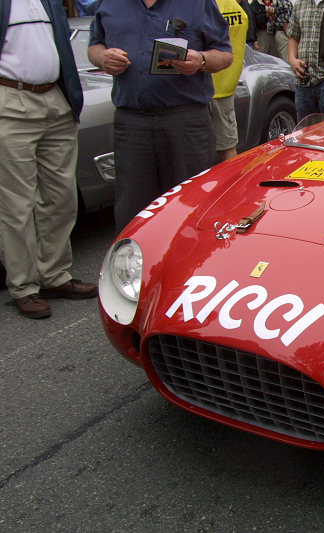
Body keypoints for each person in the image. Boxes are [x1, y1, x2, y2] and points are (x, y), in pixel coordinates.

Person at [88, 0, 233, 235]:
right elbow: (94, 46)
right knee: (132, 212)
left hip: (185, 121)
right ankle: (135, 269)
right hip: (132, 122)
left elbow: (225, 55)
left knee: (190, 207)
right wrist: (103, 57)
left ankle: (188, 269)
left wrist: (201, 60)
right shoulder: (110, 4)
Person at [0, 0, 98, 319]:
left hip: (55, 99)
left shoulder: (48, 2)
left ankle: (55, 275)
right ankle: (24, 286)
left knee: (61, 196)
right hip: (11, 101)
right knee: (16, 204)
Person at [212, 0, 250, 161]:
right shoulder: (238, 11)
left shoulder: (205, 6)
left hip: (201, 85)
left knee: (195, 150)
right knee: (227, 146)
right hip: (226, 85)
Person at [287, 0, 324, 122]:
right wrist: (292, 60)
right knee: (304, 132)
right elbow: (293, 37)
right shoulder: (300, 4)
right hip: (303, 81)